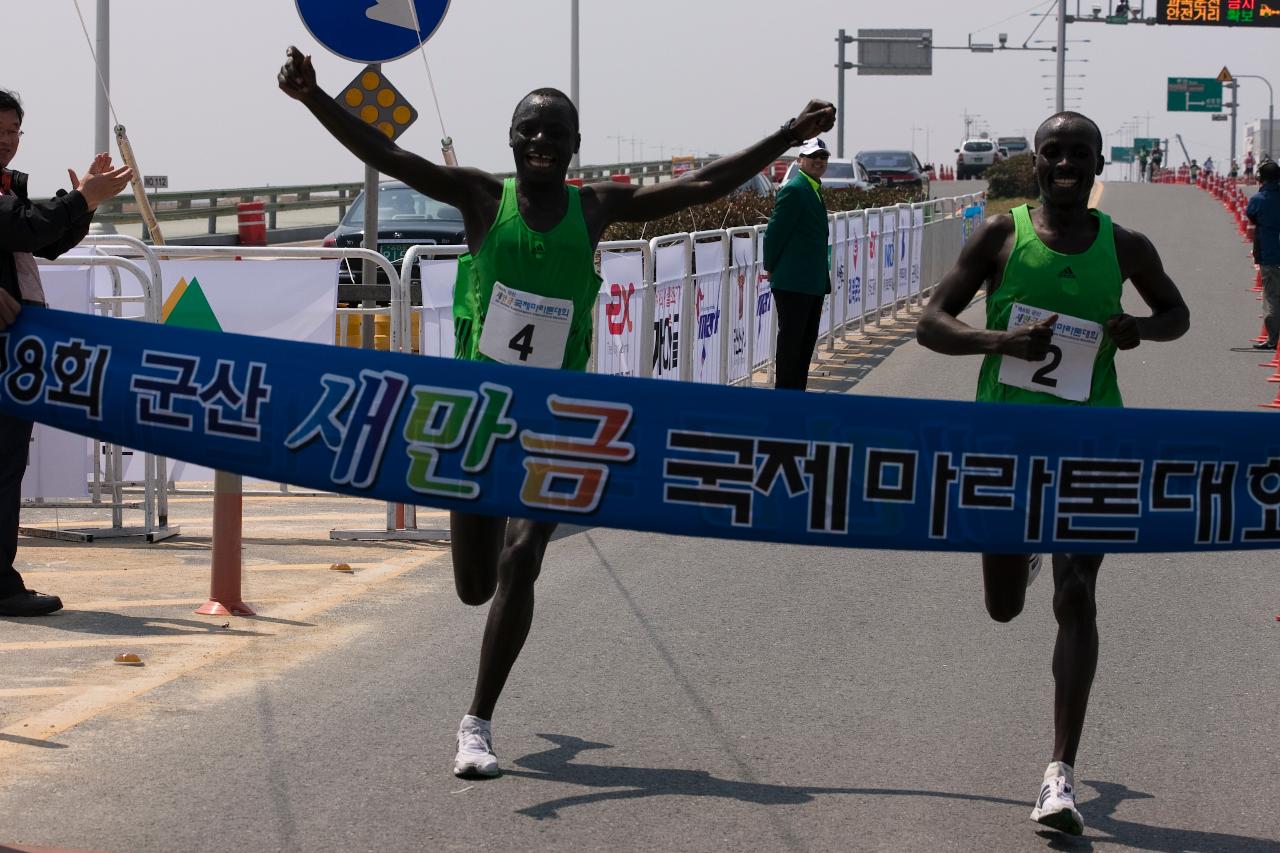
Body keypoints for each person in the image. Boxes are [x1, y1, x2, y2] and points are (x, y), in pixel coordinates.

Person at [278, 46, 836, 779]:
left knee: (522, 556)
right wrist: (315, 97)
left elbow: (701, 182)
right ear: (512, 141)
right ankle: (498, 686)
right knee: (475, 583)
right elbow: (387, 150)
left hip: (558, 417)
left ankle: (476, 723)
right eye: (529, 130)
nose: (541, 140)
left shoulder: (595, 206)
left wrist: (784, 135)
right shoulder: (480, 197)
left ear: (575, 147)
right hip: (478, 416)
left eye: (556, 132)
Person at [916, 111, 1190, 836]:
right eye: (1053, 153)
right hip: (1005, 444)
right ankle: (1024, 553)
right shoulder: (1001, 236)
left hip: (1093, 440)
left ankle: (1060, 771)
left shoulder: (1125, 244)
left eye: (1080, 154)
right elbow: (930, 322)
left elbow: (1178, 314)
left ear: (1099, 163)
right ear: (1034, 162)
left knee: (1079, 594)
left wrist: (1140, 328)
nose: (1066, 164)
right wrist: (998, 338)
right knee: (1004, 605)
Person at [0, 90, 132, 617]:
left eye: (13, 132)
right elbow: (23, 225)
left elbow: (41, 239)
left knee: (7, 462)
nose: (7, 142)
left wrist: (86, 201)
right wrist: (81, 200)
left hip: (16, 346)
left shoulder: (11, 186)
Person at [763, 137, 831, 390]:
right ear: (800, 159)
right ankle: (786, 398)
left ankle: (797, 396)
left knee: (805, 345)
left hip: (811, 282)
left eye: (823, 157)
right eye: (813, 156)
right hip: (793, 282)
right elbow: (774, 233)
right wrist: (770, 266)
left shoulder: (813, 188)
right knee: (792, 345)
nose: (819, 161)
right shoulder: (795, 189)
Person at [1247, 158, 1280, 350]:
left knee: (1272, 297)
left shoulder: (1258, 200)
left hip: (1270, 255)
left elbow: (1251, 215)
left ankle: (1273, 339)